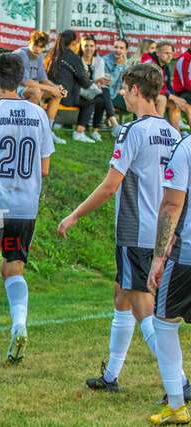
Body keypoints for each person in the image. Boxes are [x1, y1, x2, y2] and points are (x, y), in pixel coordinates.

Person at [58, 63, 187, 395]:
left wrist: (74, 216)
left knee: (145, 312)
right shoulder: (173, 133)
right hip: (163, 232)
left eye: (124, 88)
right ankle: (111, 376)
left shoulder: (133, 130)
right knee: (121, 295)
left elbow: (109, 186)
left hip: (136, 230)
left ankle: (181, 382)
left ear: (135, 90)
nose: (121, 94)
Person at [0, 53, 54, 367]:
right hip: (26, 207)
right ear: (21, 79)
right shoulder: (38, 114)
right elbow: (44, 169)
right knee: (14, 269)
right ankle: (19, 323)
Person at [146, 133, 191, 425]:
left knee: (164, 323)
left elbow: (173, 206)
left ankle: (176, 405)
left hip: (187, 256)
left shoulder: (186, 147)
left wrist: (158, 257)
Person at [44, 30, 100, 143]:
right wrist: (93, 82)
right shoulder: (72, 57)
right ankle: (79, 132)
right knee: (91, 101)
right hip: (63, 94)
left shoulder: (51, 53)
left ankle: (52, 131)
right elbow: (84, 82)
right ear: (74, 43)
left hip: (47, 92)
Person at [13, 30, 68, 145]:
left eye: (41, 46)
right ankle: (30, 131)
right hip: (12, 88)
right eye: (35, 45)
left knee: (57, 94)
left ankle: (47, 131)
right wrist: (50, 89)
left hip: (26, 89)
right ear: (29, 42)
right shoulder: (22, 54)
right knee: (35, 92)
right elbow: (26, 82)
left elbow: (44, 80)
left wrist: (57, 88)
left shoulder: (39, 57)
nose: (37, 49)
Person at [77, 35, 122, 140]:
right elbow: (83, 82)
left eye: (91, 46)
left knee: (101, 99)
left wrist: (96, 82)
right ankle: (112, 123)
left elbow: (99, 81)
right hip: (80, 92)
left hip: (93, 91)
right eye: (86, 46)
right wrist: (95, 82)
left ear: (95, 47)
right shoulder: (77, 61)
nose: (89, 49)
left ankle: (95, 132)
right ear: (81, 47)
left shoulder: (99, 61)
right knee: (103, 92)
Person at [142, 41, 191, 134]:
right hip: (142, 94)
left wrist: (174, 98)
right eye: (166, 53)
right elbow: (150, 86)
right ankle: (157, 131)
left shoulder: (165, 66)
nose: (170, 56)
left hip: (156, 94)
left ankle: (177, 136)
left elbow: (167, 86)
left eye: (171, 53)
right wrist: (172, 97)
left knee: (175, 104)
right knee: (162, 99)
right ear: (158, 53)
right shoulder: (149, 64)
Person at [103, 38, 130, 112]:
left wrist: (124, 90)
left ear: (126, 50)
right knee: (136, 106)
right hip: (109, 95)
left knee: (139, 102)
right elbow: (108, 83)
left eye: (121, 48)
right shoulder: (105, 61)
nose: (118, 50)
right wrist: (119, 66)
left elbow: (127, 82)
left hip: (120, 94)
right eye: (116, 47)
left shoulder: (125, 63)